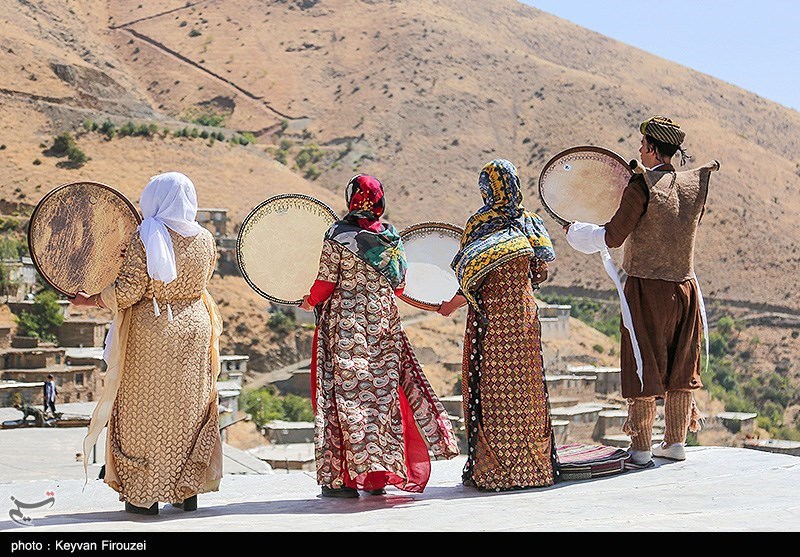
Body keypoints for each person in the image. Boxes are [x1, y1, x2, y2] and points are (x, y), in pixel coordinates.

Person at [564, 116, 719, 466]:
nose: (638, 150)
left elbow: (612, 236)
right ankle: (676, 443)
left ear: (651, 148)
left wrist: (577, 233)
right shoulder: (694, 185)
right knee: (681, 364)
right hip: (685, 287)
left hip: (646, 288)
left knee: (641, 359)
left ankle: (642, 448)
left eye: (642, 145)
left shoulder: (641, 186)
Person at [299, 174, 460, 498]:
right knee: (381, 401)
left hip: (346, 329)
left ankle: (343, 481)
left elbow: (325, 284)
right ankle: (379, 477)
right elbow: (399, 284)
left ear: (351, 199)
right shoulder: (390, 236)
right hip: (384, 327)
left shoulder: (337, 235)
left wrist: (309, 301)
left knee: (345, 400)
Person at [73, 171, 223, 515]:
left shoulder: (147, 236)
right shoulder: (206, 238)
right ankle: (186, 490)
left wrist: (90, 300)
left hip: (152, 333)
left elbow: (128, 291)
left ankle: (144, 494)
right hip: (195, 327)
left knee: (143, 410)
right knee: (188, 409)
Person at [438, 159, 561, 492]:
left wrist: (449, 305)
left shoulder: (479, 224)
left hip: (491, 323)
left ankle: (496, 471)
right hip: (523, 319)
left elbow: (469, 282)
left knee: (494, 391)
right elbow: (540, 272)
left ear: (486, 189)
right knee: (528, 391)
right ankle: (533, 470)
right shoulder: (530, 223)